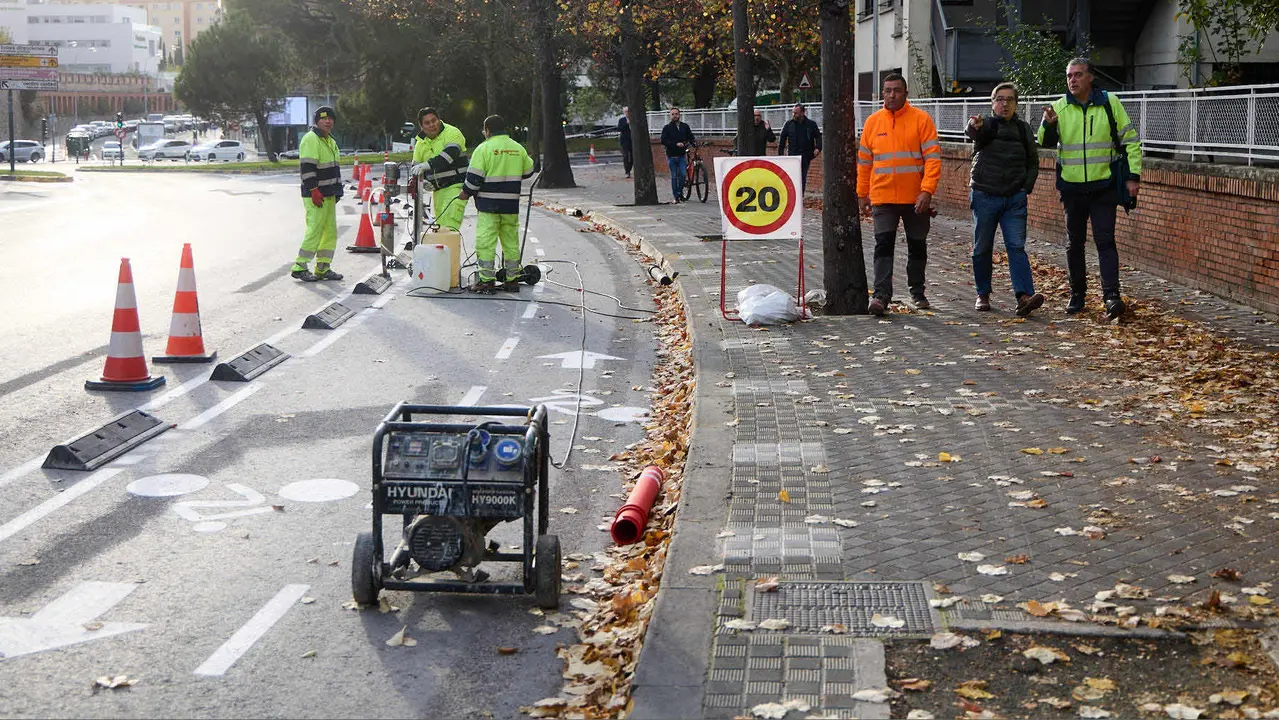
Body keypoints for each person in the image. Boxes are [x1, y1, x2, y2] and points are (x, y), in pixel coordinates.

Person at [1038, 58, 1142, 319]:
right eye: (1069, 76)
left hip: (1103, 186)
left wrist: (1132, 177)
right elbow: (1045, 143)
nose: (1072, 80)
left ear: (1090, 77)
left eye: (1078, 75)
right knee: (1075, 244)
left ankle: (1111, 296)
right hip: (1072, 189)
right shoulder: (1059, 107)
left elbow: (1130, 141)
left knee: (1105, 240)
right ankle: (1078, 294)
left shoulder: (1109, 103)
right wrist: (1048, 124)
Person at [856, 74, 941, 315]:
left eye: (896, 90)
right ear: (882, 94)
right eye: (887, 91)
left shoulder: (921, 120)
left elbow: (933, 160)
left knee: (917, 246)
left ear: (906, 93)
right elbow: (864, 163)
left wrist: (927, 191)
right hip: (882, 197)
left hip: (916, 198)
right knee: (883, 246)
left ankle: (917, 291)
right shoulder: (873, 123)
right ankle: (881, 297)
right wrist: (862, 194)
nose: (891, 95)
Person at [966, 82, 1046, 317]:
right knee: (982, 247)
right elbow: (973, 132)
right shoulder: (987, 125)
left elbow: (1033, 161)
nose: (1005, 104)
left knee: (1016, 247)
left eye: (1010, 100)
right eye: (1000, 99)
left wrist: (1025, 188)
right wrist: (973, 125)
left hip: (1014, 199)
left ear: (1016, 104)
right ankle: (982, 294)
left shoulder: (1022, 129)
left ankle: (1024, 296)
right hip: (985, 195)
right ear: (992, 104)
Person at [459, 114, 535, 293]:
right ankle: (512, 279)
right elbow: (529, 170)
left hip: (488, 205)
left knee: (485, 241)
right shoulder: (517, 148)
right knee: (510, 241)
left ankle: (486, 281)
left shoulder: (483, 149)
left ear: (487, 130)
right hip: (510, 205)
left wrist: (465, 193)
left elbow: (473, 179)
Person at [290, 105, 343, 282]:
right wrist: (313, 190)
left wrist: (336, 192)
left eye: (330, 118)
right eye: (323, 118)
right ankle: (300, 266)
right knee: (315, 230)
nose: (327, 121)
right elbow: (307, 168)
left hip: (328, 194)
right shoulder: (311, 139)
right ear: (317, 122)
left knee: (329, 232)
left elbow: (333, 169)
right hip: (316, 194)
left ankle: (323, 268)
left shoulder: (330, 141)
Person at [409, 107, 469, 232]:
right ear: (421, 126)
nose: (432, 125)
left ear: (439, 119)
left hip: (455, 187)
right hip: (438, 192)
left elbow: (449, 155)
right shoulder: (420, 143)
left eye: (434, 120)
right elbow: (415, 169)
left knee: (449, 230)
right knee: (441, 230)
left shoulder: (452, 132)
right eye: (427, 122)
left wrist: (426, 165)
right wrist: (422, 180)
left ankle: (450, 251)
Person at [777, 103, 822, 191]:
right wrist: (780, 154)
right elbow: (782, 140)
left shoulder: (811, 124)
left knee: (802, 176)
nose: (794, 115)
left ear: (802, 113)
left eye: (796, 113)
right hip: (792, 155)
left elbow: (818, 137)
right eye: (793, 113)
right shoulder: (788, 124)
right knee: (792, 176)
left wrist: (818, 148)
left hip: (806, 155)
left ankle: (800, 195)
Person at [659, 107, 695, 203]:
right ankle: (676, 196)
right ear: (670, 116)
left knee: (683, 175)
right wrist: (675, 144)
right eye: (673, 114)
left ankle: (679, 192)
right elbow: (663, 140)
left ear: (679, 115)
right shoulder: (667, 128)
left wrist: (692, 143)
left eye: (676, 114)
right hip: (671, 155)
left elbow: (690, 136)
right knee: (674, 176)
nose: (675, 116)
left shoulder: (685, 126)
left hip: (681, 155)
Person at [618, 107, 633, 179]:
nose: (628, 113)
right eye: (626, 111)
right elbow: (620, 129)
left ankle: (629, 169)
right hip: (624, 141)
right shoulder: (622, 120)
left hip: (632, 141)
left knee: (633, 157)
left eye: (628, 111)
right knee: (626, 157)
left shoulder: (634, 119)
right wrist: (627, 124)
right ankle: (627, 172)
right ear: (624, 112)